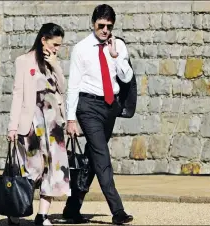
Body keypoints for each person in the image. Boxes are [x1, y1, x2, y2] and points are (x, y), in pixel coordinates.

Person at [63, 4, 134, 225]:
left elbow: (127, 78)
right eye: (101, 25)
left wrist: (116, 57)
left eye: (109, 26)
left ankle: (72, 208)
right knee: (102, 155)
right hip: (88, 106)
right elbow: (73, 86)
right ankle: (117, 210)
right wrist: (71, 119)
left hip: (110, 107)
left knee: (94, 158)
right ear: (93, 23)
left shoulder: (119, 45)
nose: (105, 30)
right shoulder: (81, 48)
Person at [7, 23, 70, 226]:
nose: (57, 48)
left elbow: (62, 88)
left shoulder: (52, 62)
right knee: (32, 170)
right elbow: (17, 95)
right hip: (32, 124)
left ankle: (42, 216)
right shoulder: (23, 61)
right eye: (55, 44)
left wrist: (56, 64)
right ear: (43, 40)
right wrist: (12, 127)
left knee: (54, 171)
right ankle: (16, 207)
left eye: (59, 45)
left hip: (54, 126)